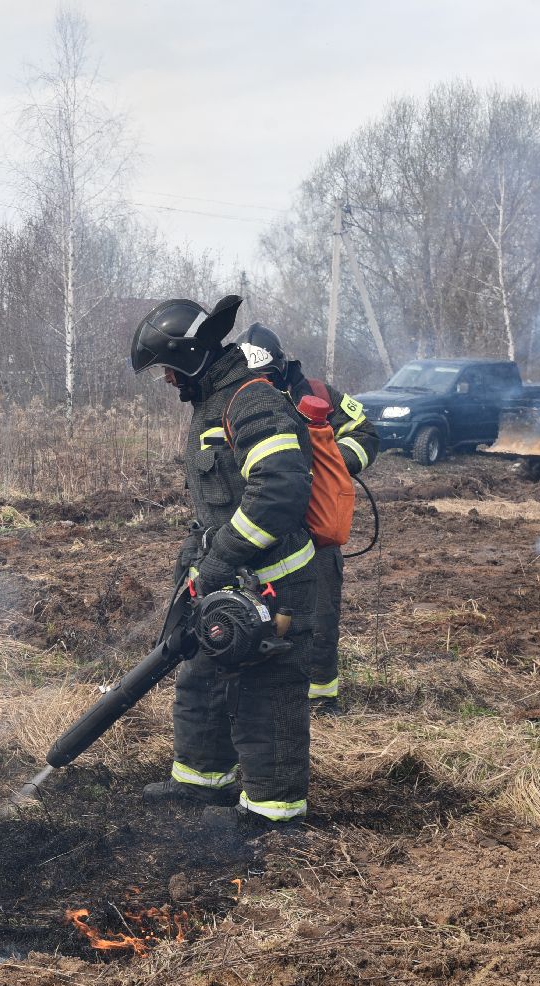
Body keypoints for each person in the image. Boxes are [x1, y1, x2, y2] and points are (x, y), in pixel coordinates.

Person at [129, 296, 318, 827]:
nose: (167, 380)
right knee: (201, 675)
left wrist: (223, 557)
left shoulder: (251, 402)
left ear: (191, 357)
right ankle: (201, 783)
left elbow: (279, 491)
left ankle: (272, 812)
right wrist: (200, 562)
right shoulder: (214, 403)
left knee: (266, 691)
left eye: (168, 368)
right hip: (226, 575)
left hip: (275, 581)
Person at [238, 323, 378, 710]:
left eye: (266, 376)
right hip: (263, 528)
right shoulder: (236, 399)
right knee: (256, 611)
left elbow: (365, 431)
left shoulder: (317, 394)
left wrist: (336, 461)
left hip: (315, 527)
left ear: (280, 366)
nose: (260, 383)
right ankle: (266, 694)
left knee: (320, 616)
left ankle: (320, 700)